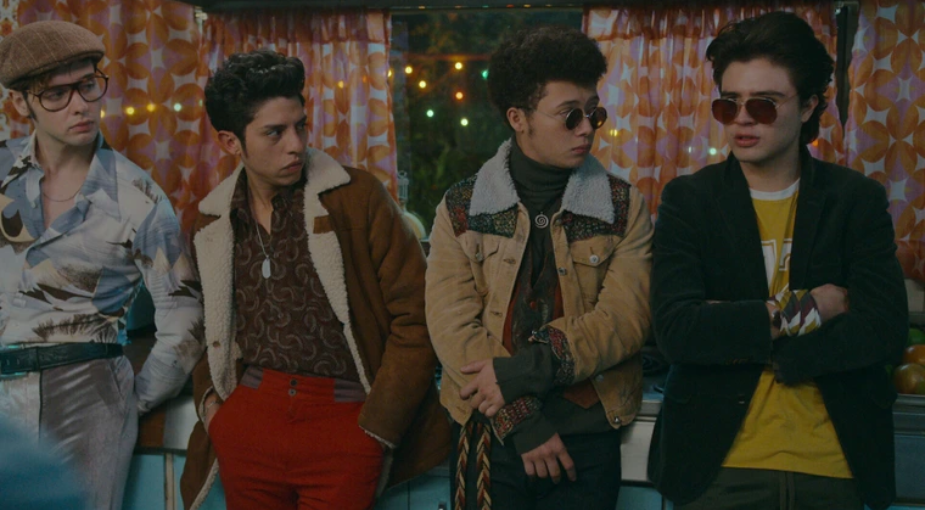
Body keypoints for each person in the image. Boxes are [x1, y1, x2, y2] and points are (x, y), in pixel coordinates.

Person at [647, 11, 908, 510]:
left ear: (808, 105)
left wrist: (765, 343)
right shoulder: (690, 200)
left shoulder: (855, 200)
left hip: (835, 466)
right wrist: (813, 310)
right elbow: (677, 331)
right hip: (717, 467)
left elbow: (884, 329)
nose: (742, 119)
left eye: (764, 105)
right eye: (728, 103)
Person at [179, 49, 450, 510]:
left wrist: (377, 428)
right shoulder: (212, 220)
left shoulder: (355, 198)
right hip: (250, 422)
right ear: (230, 142)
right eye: (275, 132)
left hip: (345, 420)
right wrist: (214, 411)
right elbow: (206, 326)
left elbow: (418, 316)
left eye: (300, 126)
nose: (296, 144)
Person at [425, 25, 653, 510]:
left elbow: (625, 320)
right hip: (493, 433)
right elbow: (452, 327)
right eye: (570, 116)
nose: (587, 128)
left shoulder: (622, 205)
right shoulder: (463, 207)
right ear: (518, 118)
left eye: (593, 112)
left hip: (587, 439)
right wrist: (522, 421)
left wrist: (525, 370)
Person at [0, 20, 204, 510]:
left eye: (88, 85)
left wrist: (128, 399)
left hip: (88, 391)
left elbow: (184, 316)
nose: (80, 105)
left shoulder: (138, 195)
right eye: (57, 94)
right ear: (21, 103)